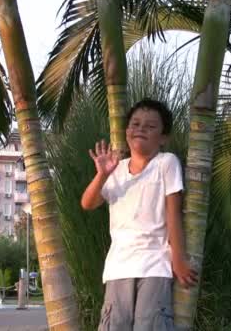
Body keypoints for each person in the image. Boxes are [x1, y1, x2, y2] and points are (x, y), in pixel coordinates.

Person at [81, 98, 198, 330]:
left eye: (150, 126)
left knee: (150, 325)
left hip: (154, 265)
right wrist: (102, 174)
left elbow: (173, 214)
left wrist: (179, 259)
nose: (141, 129)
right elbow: (88, 202)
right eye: (135, 124)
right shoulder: (116, 168)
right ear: (126, 132)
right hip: (118, 267)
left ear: (163, 137)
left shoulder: (167, 162)